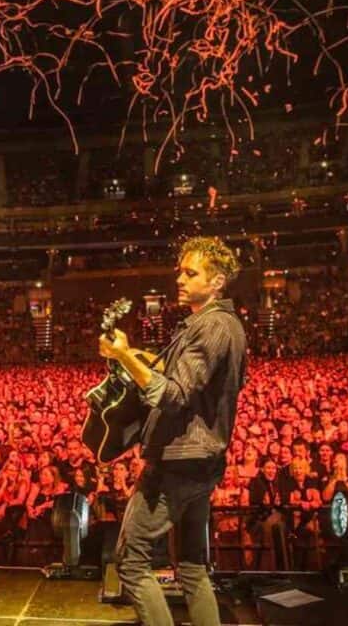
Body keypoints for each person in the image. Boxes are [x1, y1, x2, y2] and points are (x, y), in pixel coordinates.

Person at [99, 236, 246, 626]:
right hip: (201, 461)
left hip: (178, 461)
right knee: (193, 566)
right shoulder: (218, 324)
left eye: (190, 273)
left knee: (131, 562)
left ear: (216, 282)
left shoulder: (212, 326)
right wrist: (132, 357)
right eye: (180, 271)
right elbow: (184, 377)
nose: (179, 278)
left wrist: (124, 355)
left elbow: (174, 394)